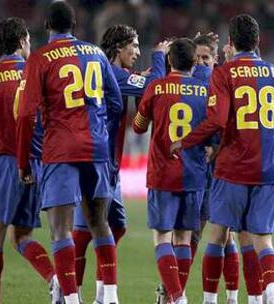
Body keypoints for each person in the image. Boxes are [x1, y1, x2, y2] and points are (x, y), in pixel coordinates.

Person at [170, 14, 274, 304]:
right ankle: (269, 293)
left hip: (233, 167)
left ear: (230, 43)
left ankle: (210, 300)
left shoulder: (223, 74)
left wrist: (185, 141)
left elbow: (216, 121)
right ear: (258, 41)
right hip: (269, 170)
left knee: (217, 235)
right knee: (261, 239)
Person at [16, 2, 123, 304]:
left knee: (60, 230)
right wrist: (105, 139)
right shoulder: (97, 54)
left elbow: (25, 115)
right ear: (75, 25)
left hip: (60, 149)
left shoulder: (39, 59)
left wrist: (24, 162)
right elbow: (115, 104)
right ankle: (111, 297)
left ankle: (72, 300)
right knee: (99, 221)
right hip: (97, 148)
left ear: (47, 26)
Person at [0, 17, 62, 304]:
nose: (30, 45)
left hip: (5, 161)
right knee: (22, 237)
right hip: (36, 163)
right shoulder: (40, 74)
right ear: (20, 41)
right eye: (29, 40)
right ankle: (55, 280)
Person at [72, 23, 168, 303]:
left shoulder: (117, 73)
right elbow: (155, 87)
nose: (137, 52)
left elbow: (139, 83)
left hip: (109, 164)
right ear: (118, 48)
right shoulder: (111, 72)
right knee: (82, 233)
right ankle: (71, 293)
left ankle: (100, 293)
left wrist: (139, 76)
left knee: (117, 226)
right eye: (134, 46)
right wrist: (159, 56)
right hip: (96, 160)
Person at [132, 38, 209, 304]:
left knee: (162, 237)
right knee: (184, 239)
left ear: (169, 61)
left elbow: (139, 127)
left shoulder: (156, 87)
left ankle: (176, 298)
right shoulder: (205, 90)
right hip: (194, 173)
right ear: (194, 62)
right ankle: (178, 296)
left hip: (163, 173)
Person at [192, 34, 264, 304]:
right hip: (197, 169)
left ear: (216, 60)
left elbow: (230, 123)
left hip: (223, 169)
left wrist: (218, 147)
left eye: (206, 58)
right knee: (214, 234)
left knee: (224, 233)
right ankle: (178, 289)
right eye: (196, 57)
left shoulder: (224, 79)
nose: (200, 63)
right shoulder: (191, 82)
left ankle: (230, 297)